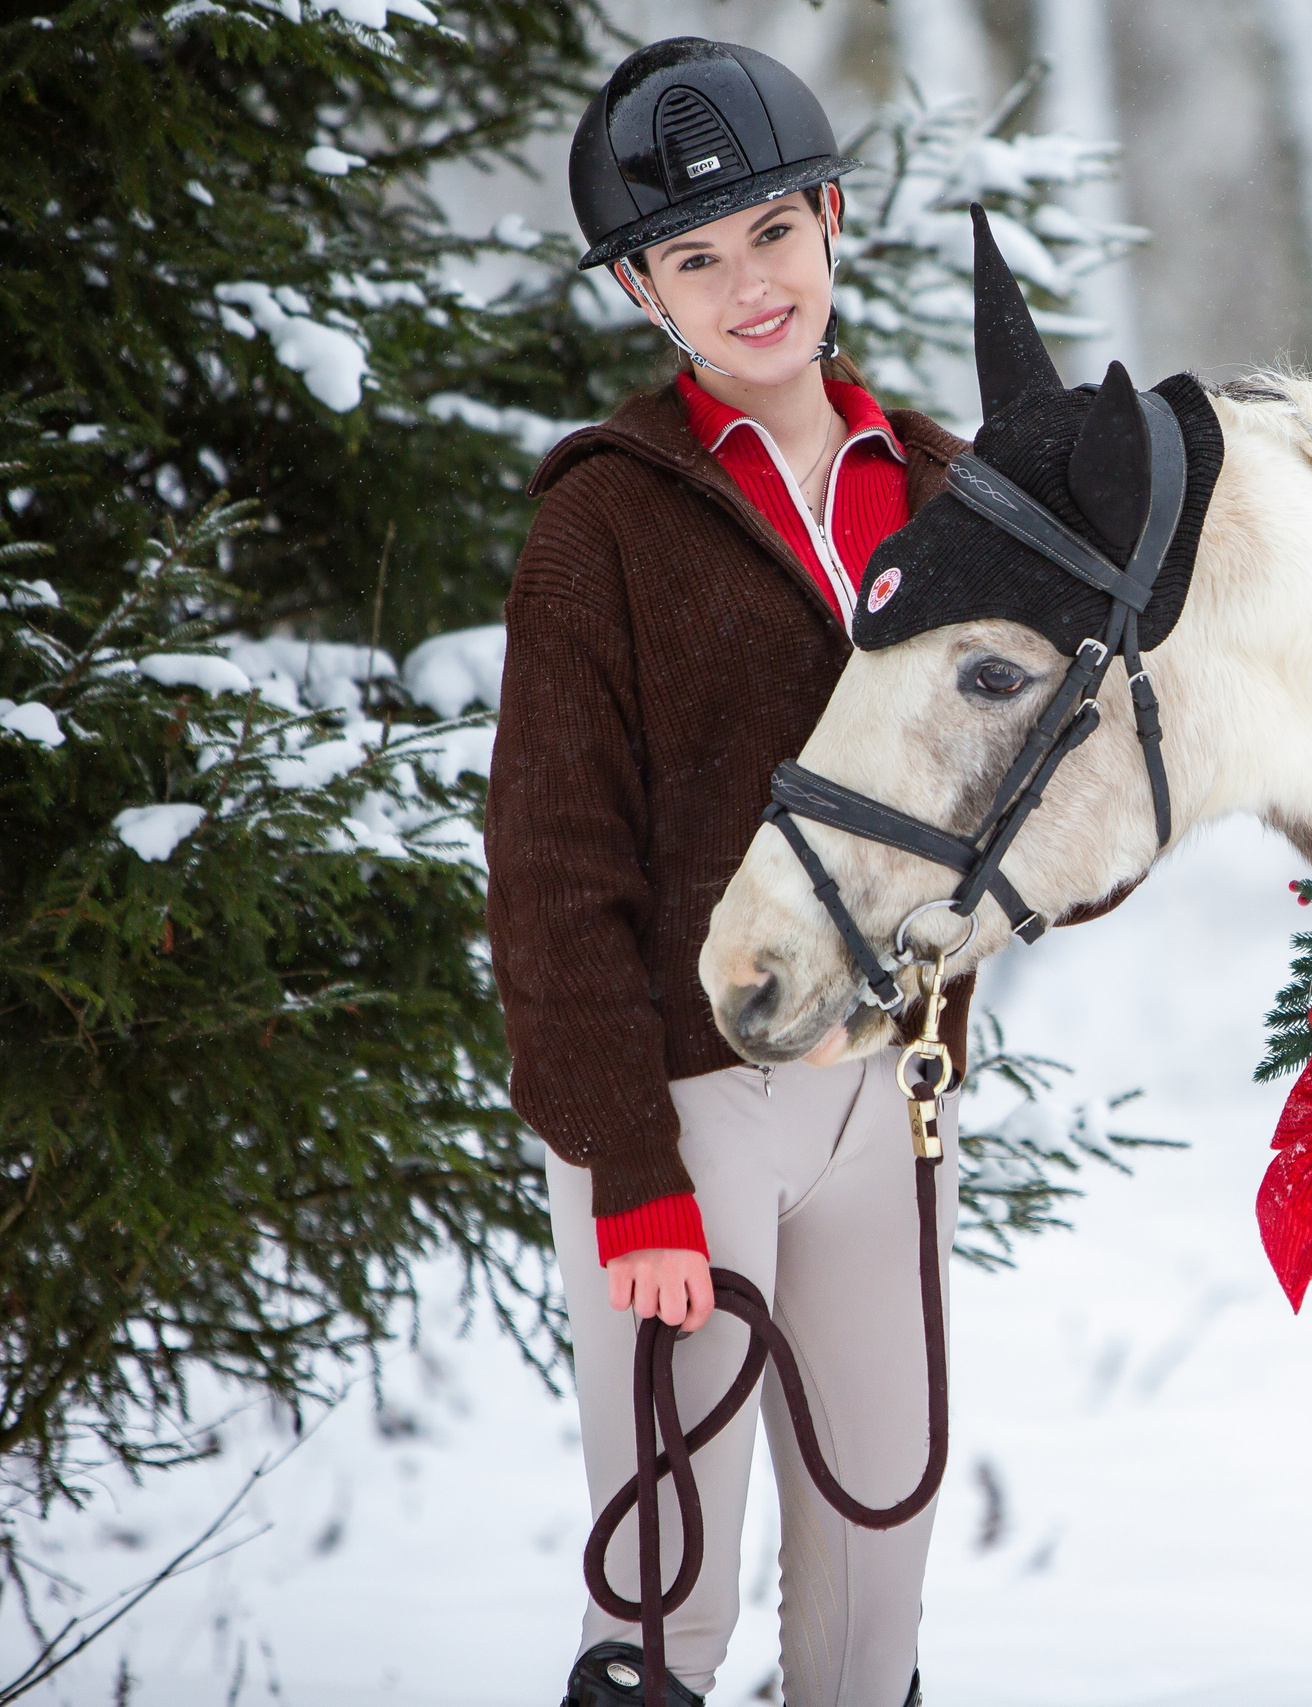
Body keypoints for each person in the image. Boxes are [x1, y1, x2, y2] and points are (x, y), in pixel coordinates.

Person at [486, 37, 968, 1707]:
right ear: (642, 290)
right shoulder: (602, 526)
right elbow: (555, 875)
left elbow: (1048, 796)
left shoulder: (946, 492)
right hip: (686, 1115)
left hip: (892, 1110)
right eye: (694, 257)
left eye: (771, 230)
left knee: (871, 1606)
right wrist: (628, 1169)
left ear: (834, 216)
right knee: (666, 1592)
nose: (748, 284)